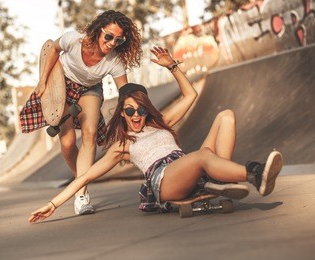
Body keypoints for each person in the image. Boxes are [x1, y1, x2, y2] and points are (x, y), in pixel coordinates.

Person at [28, 46, 283, 223]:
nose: (136, 115)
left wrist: (172, 66)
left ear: (146, 110)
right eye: (130, 111)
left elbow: (190, 95)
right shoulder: (121, 146)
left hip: (186, 167)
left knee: (225, 115)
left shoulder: (161, 123)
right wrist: (53, 205)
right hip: (165, 182)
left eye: (140, 110)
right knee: (200, 157)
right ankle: (255, 173)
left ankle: (222, 180)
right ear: (123, 114)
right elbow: (83, 178)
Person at [25, 10, 142, 215]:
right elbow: (52, 48)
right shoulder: (74, 40)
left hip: (90, 90)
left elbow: (125, 92)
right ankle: (82, 179)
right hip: (61, 85)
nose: (113, 43)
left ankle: (81, 195)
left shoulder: (114, 61)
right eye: (109, 36)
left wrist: (135, 112)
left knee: (90, 134)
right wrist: (43, 81)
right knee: (68, 143)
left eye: (119, 39)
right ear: (99, 31)